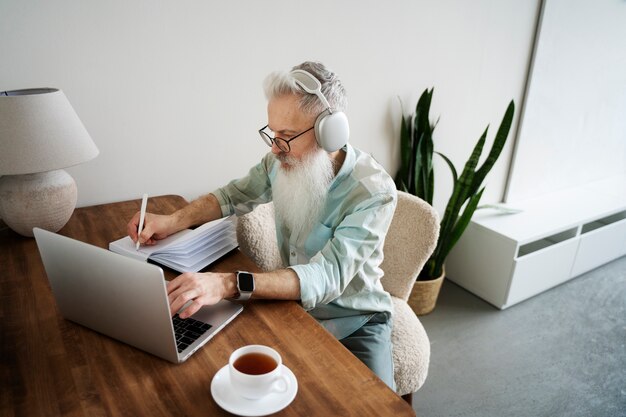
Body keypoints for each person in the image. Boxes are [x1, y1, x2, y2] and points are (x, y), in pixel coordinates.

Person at [127, 61, 398, 390]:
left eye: (285, 137)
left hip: (356, 322)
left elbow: (327, 275)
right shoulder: (280, 158)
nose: (274, 148)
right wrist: (171, 220)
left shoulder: (373, 193)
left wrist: (227, 284)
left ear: (330, 134)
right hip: (291, 309)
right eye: (272, 133)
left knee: (377, 407)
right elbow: (232, 195)